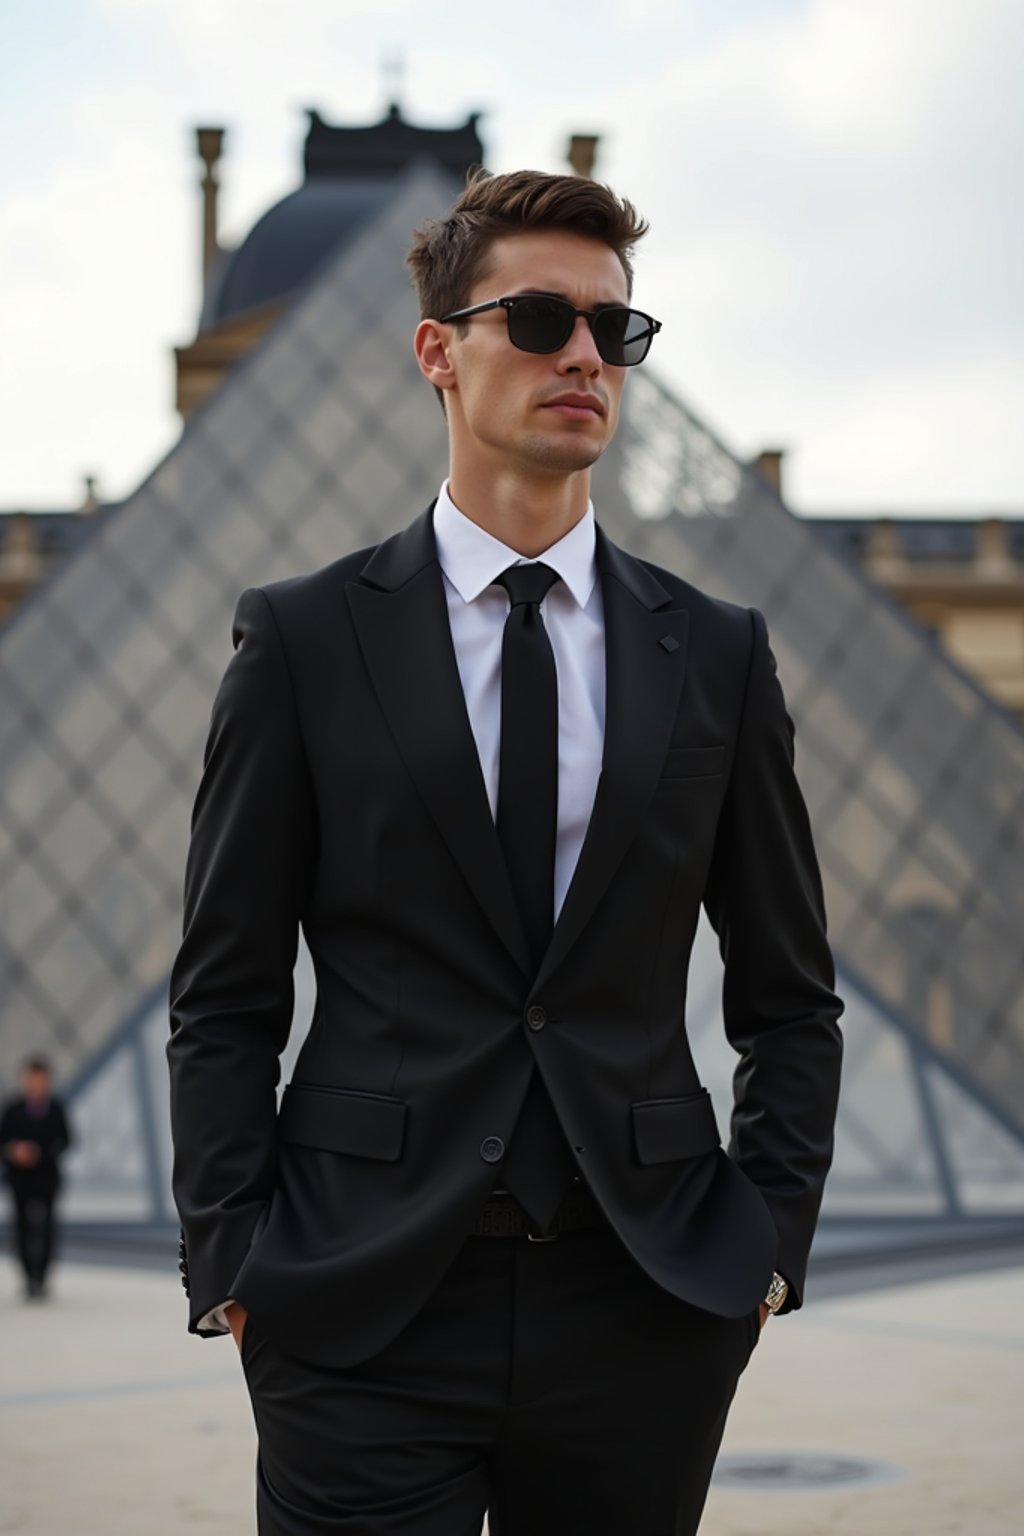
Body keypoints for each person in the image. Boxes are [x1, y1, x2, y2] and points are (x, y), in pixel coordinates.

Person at [168, 169, 843, 1536]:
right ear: (438, 350)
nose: (586, 356)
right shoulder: (301, 640)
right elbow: (224, 990)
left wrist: (764, 1248)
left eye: (616, 330)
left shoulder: (717, 651)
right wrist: (233, 1259)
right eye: (540, 320)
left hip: (644, 1299)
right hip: (359, 1306)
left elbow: (791, 992)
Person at [1, 1055, 71, 1300]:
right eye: (32, 1078)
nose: (37, 1083)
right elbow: (3, 1140)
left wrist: (39, 1153)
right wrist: (13, 1150)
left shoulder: (56, 1108)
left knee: (48, 1228)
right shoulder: (12, 1108)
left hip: (46, 1177)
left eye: (41, 1078)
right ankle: (28, 1277)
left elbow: (66, 1140)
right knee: (21, 1227)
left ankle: (42, 1277)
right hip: (20, 1179)